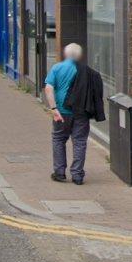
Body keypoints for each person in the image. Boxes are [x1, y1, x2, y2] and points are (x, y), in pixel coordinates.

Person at [46, 44, 92, 184]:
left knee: (59, 139)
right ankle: (77, 175)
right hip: (81, 113)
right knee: (79, 142)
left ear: (65, 54)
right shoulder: (86, 70)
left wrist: (54, 109)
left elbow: (48, 89)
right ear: (79, 56)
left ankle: (59, 173)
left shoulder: (57, 68)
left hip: (62, 112)